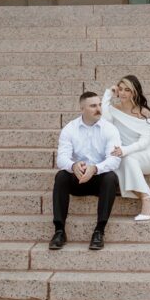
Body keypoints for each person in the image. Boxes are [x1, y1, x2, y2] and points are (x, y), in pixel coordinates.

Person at [50, 91, 123, 251]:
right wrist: (73, 166)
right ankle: (59, 231)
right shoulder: (70, 129)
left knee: (110, 177)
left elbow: (114, 159)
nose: (98, 109)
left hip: (99, 180)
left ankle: (99, 231)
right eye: (93, 106)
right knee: (61, 176)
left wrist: (95, 168)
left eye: (99, 105)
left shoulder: (109, 129)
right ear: (82, 108)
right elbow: (62, 158)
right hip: (78, 178)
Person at [102, 74, 150, 220]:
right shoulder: (113, 109)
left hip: (149, 154)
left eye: (127, 90)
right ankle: (147, 196)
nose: (122, 93)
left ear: (134, 92)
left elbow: (145, 142)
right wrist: (108, 94)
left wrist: (124, 150)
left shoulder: (144, 112)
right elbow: (104, 120)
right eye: (120, 89)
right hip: (127, 154)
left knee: (127, 159)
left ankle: (147, 201)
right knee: (119, 162)